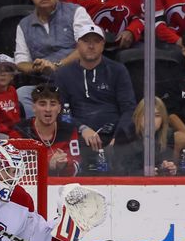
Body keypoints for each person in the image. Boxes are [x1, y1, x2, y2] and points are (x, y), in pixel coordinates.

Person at [53, 24, 137, 152]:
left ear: (103, 45)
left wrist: (119, 137)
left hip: (114, 135)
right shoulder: (63, 74)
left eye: (96, 42)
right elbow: (60, 112)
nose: (91, 46)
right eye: (86, 41)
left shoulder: (118, 70)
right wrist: (82, 128)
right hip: (79, 136)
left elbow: (129, 108)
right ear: (77, 45)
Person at [14, 0, 94, 79]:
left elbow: (88, 46)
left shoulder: (76, 12)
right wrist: (36, 68)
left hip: (77, 78)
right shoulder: (23, 25)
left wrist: (57, 66)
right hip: (43, 85)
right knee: (22, 93)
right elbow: (21, 62)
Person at [16, 83, 82, 176]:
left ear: (59, 108)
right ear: (34, 107)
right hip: (31, 188)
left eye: (53, 104)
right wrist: (47, 164)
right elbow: (14, 170)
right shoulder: (19, 131)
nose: (48, 109)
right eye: (42, 104)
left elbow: (77, 166)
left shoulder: (69, 130)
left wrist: (65, 164)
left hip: (60, 186)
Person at [111, 98, 180, 176]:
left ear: (163, 119)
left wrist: (168, 167)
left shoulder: (168, 134)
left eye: (157, 116)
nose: (152, 120)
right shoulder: (125, 133)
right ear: (139, 116)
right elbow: (119, 170)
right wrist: (142, 173)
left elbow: (166, 160)